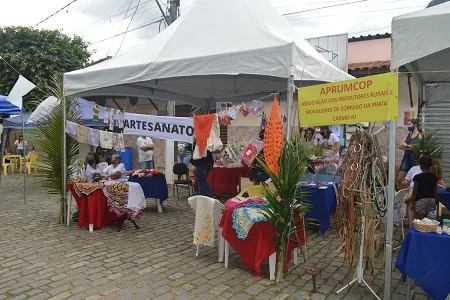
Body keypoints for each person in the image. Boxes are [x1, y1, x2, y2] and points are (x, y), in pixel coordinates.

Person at [411, 155, 438, 220]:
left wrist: (412, 202)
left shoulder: (417, 177)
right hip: (431, 200)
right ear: (431, 165)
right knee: (431, 220)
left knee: (419, 220)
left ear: (420, 165)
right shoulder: (434, 177)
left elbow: (415, 191)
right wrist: (436, 200)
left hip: (420, 200)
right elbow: (435, 190)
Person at [397, 119, 421, 188]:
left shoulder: (419, 135)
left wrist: (406, 145)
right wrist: (411, 147)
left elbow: (419, 147)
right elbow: (400, 145)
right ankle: (402, 193)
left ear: (415, 125)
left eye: (410, 124)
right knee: (399, 179)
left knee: (413, 180)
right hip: (406, 158)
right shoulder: (408, 135)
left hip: (415, 159)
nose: (408, 126)